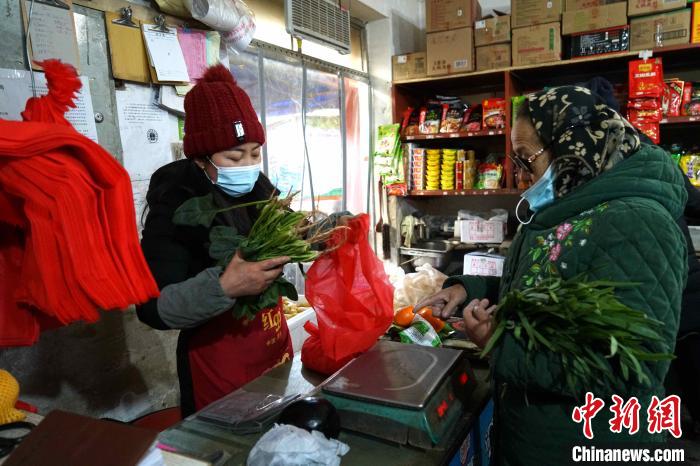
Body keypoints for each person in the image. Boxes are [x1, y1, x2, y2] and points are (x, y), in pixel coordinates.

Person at [417, 86, 688, 464]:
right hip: (535, 435)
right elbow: (541, 282)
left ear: (573, 147)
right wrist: (469, 288)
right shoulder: (565, 205)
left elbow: (627, 368)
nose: (522, 176)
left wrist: (500, 344)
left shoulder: (639, 222)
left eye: (527, 160)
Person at [136, 65, 293, 417]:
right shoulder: (176, 206)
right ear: (199, 158)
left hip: (271, 350)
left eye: (255, 153)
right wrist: (225, 287)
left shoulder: (260, 190)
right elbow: (151, 308)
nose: (248, 165)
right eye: (234, 157)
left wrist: (327, 232)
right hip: (218, 367)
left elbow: (292, 234)